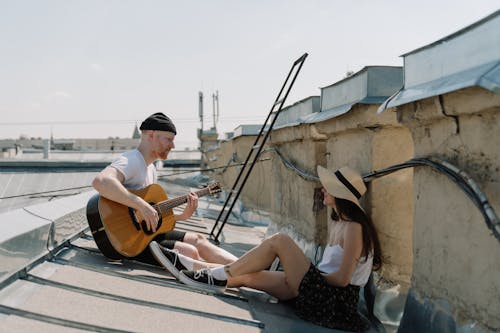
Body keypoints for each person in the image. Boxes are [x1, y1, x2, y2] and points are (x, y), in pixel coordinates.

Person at [178, 165, 382, 332]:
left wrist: (304, 274)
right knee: (249, 276)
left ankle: (219, 271)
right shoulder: (339, 222)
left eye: (328, 187)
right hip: (318, 291)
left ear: (340, 194)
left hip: (333, 303)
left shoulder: (356, 228)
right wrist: (301, 274)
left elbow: (342, 280)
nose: (323, 189)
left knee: (280, 240)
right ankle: (192, 267)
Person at [92, 112, 237, 274]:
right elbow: (101, 181)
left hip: (146, 236)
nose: (173, 146)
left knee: (199, 240)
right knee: (189, 252)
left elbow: (150, 216)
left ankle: (247, 266)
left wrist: (183, 216)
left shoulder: (151, 168)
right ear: (151, 135)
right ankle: (234, 275)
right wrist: (141, 204)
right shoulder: (132, 160)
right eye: (169, 139)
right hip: (126, 242)